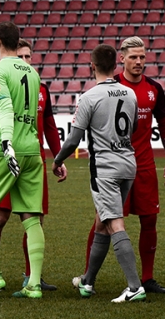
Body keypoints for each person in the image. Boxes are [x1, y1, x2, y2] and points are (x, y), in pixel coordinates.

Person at [82, 36, 165, 293]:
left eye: (142, 57)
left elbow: (164, 122)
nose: (139, 61)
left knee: (149, 220)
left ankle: (147, 278)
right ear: (121, 58)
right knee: (103, 220)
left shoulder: (154, 88)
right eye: (133, 57)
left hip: (144, 165)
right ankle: (88, 276)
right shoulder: (111, 87)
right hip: (114, 165)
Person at [58, 44, 145, 303]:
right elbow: (134, 127)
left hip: (105, 168)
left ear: (92, 66)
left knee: (114, 223)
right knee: (102, 222)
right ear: (116, 66)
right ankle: (88, 281)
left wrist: (58, 160)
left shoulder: (89, 97)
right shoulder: (130, 93)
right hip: (128, 164)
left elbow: (74, 140)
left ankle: (134, 286)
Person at [0, 22, 47, 298]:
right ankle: (34, 284)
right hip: (32, 149)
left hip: (8, 148)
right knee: (31, 216)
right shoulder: (33, 73)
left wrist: (5, 142)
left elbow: (4, 105)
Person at [0, 39, 62, 294]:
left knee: (34, 217)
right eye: (21, 56)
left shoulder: (40, 87)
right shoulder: (10, 79)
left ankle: (30, 277)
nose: (24, 61)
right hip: (17, 153)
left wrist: (58, 157)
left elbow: (49, 124)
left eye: (28, 57)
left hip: (27, 154)